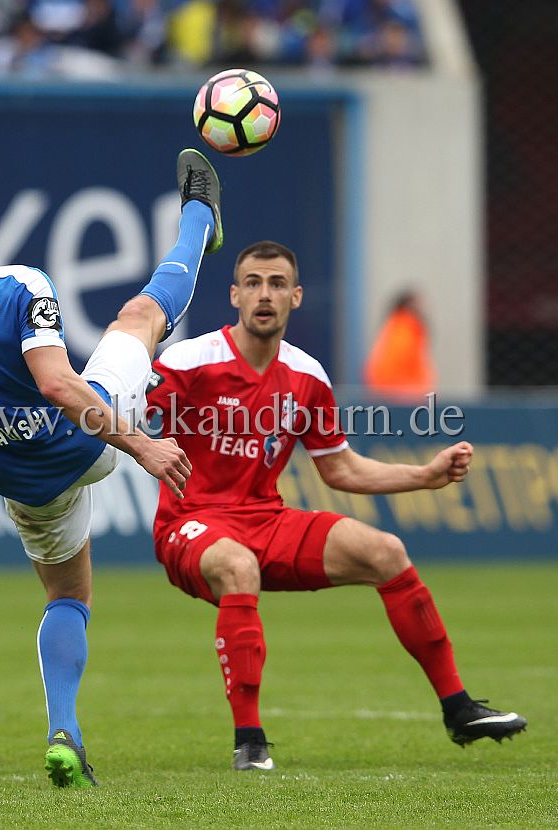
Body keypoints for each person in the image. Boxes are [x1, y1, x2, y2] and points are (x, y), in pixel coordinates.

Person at [0, 149, 223, 788]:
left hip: (20, 479)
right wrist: (142, 446)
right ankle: (201, 217)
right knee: (140, 317)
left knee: (67, 597)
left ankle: (64, 732)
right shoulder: (21, 284)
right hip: (84, 442)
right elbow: (56, 385)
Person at [146, 240, 526, 771]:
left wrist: (424, 476)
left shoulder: (307, 376)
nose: (264, 294)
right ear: (234, 295)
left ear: (296, 297)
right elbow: (125, 419)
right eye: (253, 283)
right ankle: (249, 741)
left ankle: (458, 708)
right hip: (189, 523)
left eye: (277, 284)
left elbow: (340, 468)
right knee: (238, 566)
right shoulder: (189, 361)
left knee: (387, 551)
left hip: (264, 519)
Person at [363, 288, 436, 400]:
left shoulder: (398, 327)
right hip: (402, 396)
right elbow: (393, 366)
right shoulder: (404, 330)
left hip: (401, 394)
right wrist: (412, 391)